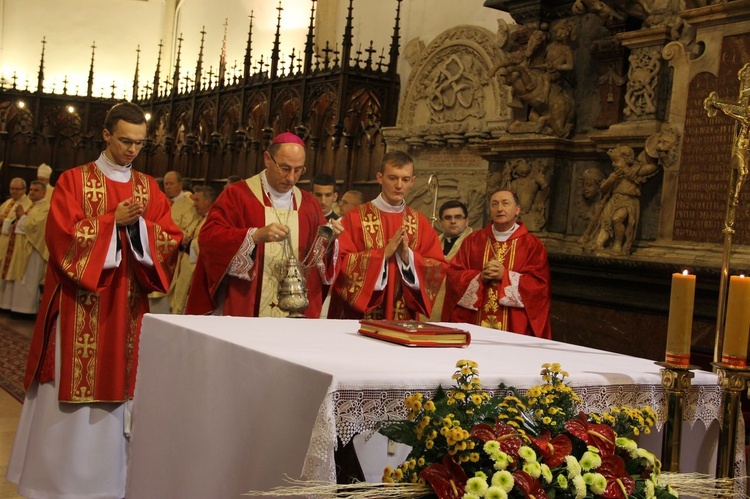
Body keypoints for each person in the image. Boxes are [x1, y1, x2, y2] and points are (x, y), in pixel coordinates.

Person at [6, 101, 182, 499]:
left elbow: (170, 238)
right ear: (105, 135)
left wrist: (138, 228)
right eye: (124, 141)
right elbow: (61, 237)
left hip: (129, 309)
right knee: (69, 396)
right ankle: (57, 485)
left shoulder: (148, 187)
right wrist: (109, 223)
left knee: (123, 391)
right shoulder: (73, 180)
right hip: (78, 306)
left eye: (139, 143)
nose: (132, 150)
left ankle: (112, 484)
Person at [186, 132, 344, 318]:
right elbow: (209, 238)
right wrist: (253, 236)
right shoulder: (238, 195)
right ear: (268, 159)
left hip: (295, 308)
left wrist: (329, 241)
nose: (291, 178)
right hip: (246, 303)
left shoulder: (309, 204)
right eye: (285, 168)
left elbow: (316, 261)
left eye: (298, 170)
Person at [328, 151, 446, 320]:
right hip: (360, 317)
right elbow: (339, 264)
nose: (399, 185)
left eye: (405, 179)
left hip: (403, 314)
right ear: (379, 177)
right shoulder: (355, 218)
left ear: (412, 181)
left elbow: (437, 267)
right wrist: (383, 255)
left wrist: (408, 257)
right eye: (392, 178)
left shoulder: (420, 223)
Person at [443, 189, 551, 339]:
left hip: (514, 327)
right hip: (474, 323)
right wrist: (479, 277)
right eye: (494, 204)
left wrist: (505, 276)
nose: (499, 208)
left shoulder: (532, 245)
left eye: (505, 203)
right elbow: (453, 276)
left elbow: (539, 287)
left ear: (517, 210)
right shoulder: (473, 241)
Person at [152, 170, 199, 312]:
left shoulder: (190, 204)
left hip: (175, 254)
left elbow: (189, 229)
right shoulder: (159, 201)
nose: (168, 187)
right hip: (155, 251)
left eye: (171, 183)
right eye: (166, 183)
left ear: (180, 184)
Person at [168, 185, 216, 314]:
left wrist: (190, 244)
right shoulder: (198, 220)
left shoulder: (214, 221)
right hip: (184, 269)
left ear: (208, 201)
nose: (194, 204)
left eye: (197, 200)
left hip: (197, 275)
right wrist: (183, 241)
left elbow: (210, 244)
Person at [4, 181, 49, 314]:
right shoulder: (32, 206)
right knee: (19, 279)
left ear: (43, 192)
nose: (32, 192)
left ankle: (26, 310)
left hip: (34, 251)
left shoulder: (45, 208)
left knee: (29, 280)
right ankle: (14, 307)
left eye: (35, 190)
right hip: (22, 248)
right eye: (31, 189)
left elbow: (36, 227)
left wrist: (22, 217)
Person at [426, 199, 473, 321]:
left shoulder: (474, 243)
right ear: (441, 222)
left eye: (458, 217)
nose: (453, 221)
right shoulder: (432, 243)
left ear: (466, 221)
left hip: (459, 306)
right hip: (434, 305)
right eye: (447, 218)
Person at [0, 178, 31, 308]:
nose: (14, 191)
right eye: (12, 188)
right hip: (3, 242)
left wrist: (5, 221)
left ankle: (6, 304)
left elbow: (23, 222)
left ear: (24, 189)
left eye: (17, 189)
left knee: (10, 275)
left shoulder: (28, 203)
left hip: (14, 244)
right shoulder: (7, 202)